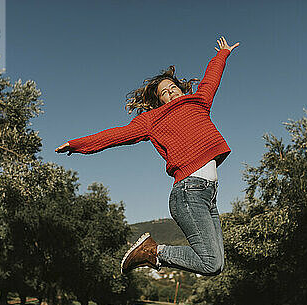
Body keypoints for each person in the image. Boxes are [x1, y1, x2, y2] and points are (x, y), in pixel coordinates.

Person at [56, 36, 239, 276]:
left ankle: (153, 252)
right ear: (158, 100)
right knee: (210, 263)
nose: (171, 92)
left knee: (217, 265)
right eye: (165, 92)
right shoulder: (152, 119)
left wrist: (222, 54)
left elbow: (210, 81)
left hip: (209, 195)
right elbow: (116, 135)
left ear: (181, 89)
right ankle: (153, 251)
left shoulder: (198, 102)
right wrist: (78, 145)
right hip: (188, 192)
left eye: (173, 87)